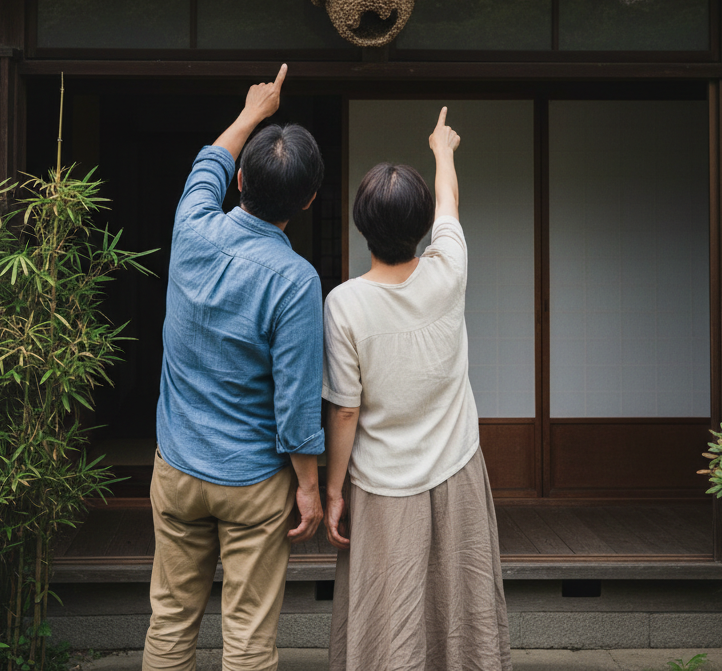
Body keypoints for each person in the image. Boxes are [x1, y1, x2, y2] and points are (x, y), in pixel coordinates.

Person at [143, 63, 326, 671]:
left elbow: (206, 166)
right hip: (252, 480)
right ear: (307, 200)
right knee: (247, 636)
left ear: (240, 179)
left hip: (177, 466)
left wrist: (253, 112)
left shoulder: (192, 228)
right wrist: (309, 487)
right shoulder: (296, 281)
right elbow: (297, 404)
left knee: (170, 620)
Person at [322, 106, 512, 671]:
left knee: (390, 617)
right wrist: (443, 150)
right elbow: (450, 203)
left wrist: (333, 492)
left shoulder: (345, 303)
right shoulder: (447, 268)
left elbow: (346, 412)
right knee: (461, 608)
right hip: (457, 470)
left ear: (361, 224)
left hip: (381, 486)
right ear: (422, 225)